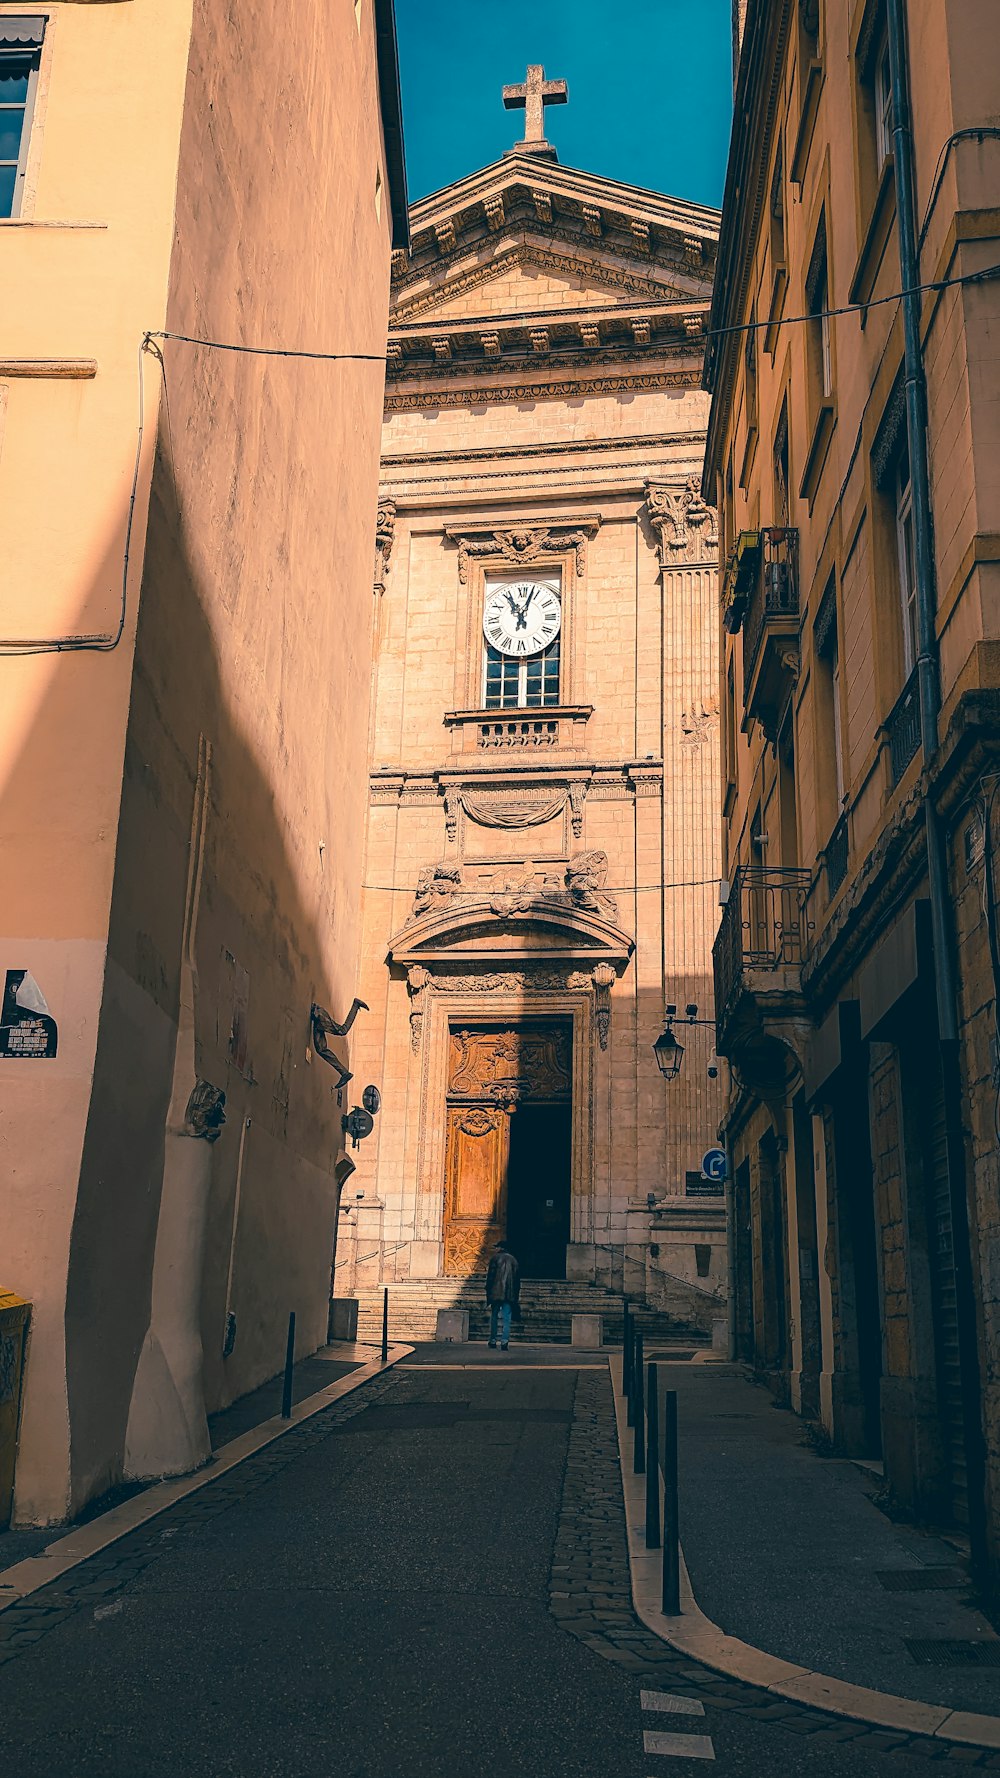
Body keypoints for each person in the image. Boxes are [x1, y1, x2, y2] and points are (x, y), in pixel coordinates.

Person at [485, 1240, 520, 1350]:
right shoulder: (514, 1260)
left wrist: (488, 1291)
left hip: (495, 1293)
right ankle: (504, 1342)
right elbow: (517, 1280)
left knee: (494, 1317)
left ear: (500, 1248)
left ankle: (493, 1340)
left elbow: (490, 1277)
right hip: (509, 1294)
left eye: (497, 1247)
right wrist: (515, 1295)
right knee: (506, 1319)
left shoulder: (495, 1259)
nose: (495, 1249)